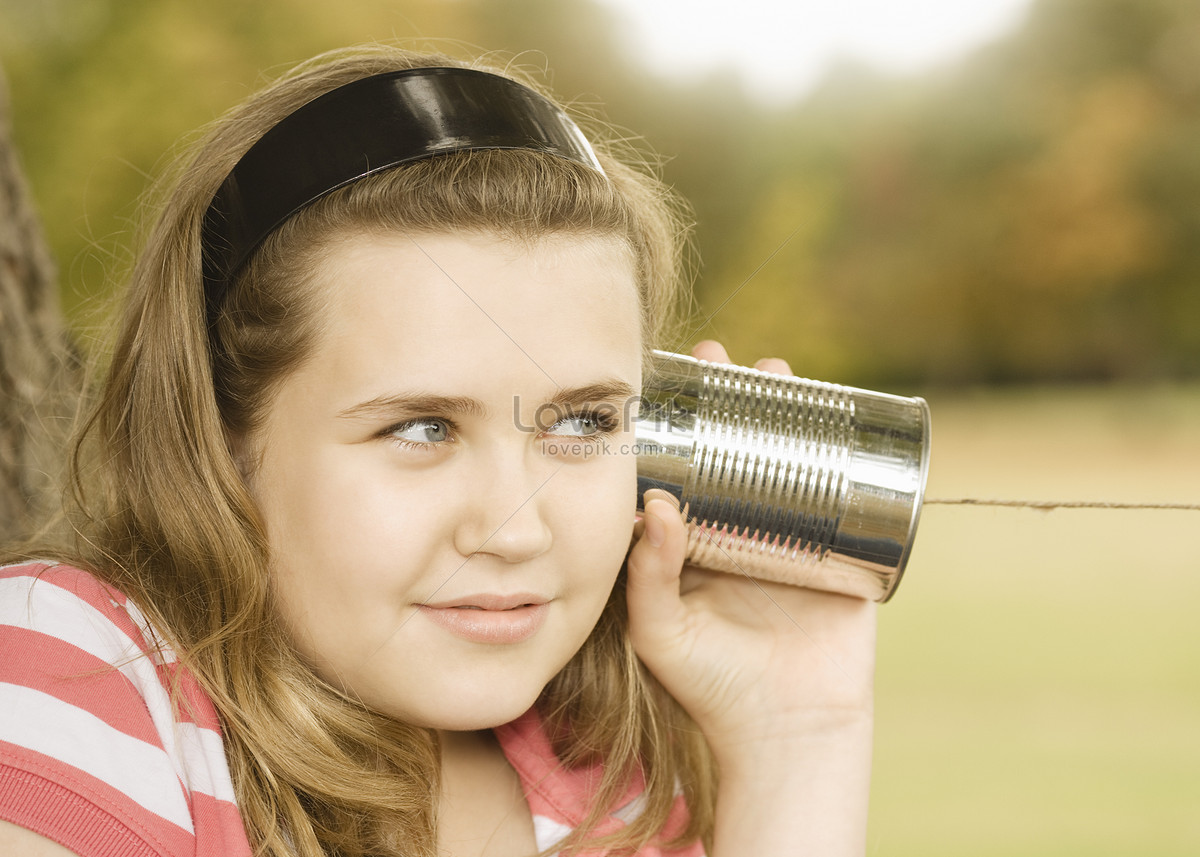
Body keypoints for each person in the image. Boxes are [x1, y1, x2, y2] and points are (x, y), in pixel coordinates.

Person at [0, 45, 876, 857]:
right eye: (422, 428)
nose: (514, 529)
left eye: (582, 423)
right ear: (224, 440)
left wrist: (795, 735)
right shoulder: (75, 674)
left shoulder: (620, 795)